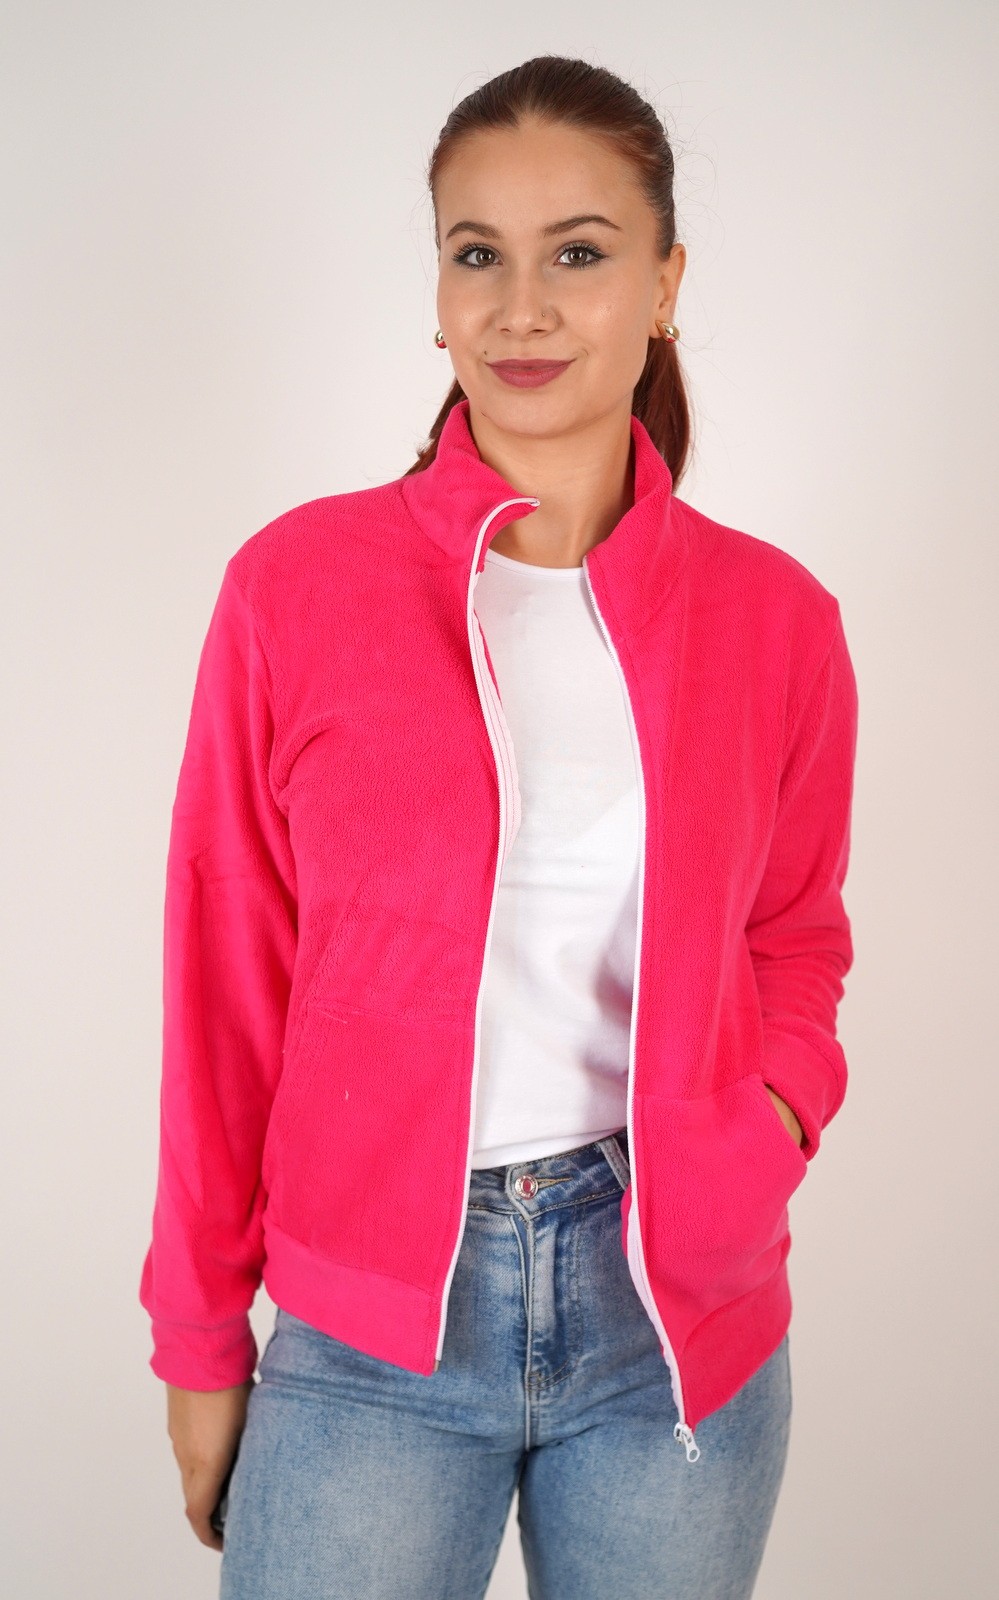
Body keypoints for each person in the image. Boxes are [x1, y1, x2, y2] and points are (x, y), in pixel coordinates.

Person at [139, 54, 859, 1600]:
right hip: (369, 1328)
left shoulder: (777, 621)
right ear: (439, 290)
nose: (522, 307)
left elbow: (795, 929)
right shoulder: (296, 589)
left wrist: (777, 1118)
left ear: (665, 284)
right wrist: (199, 1334)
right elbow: (225, 978)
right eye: (480, 254)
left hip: (674, 1322)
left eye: (578, 253)